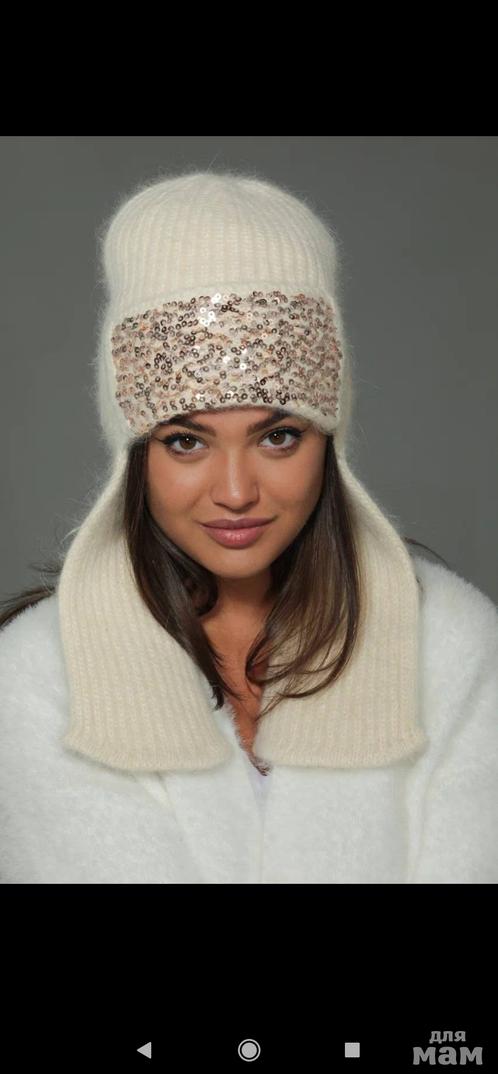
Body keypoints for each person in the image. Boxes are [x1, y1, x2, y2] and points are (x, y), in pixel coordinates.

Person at [0, 168, 497, 884]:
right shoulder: (42, 675)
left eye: (278, 437)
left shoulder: (450, 646)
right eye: (186, 441)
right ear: (135, 454)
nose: (236, 493)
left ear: (330, 441)